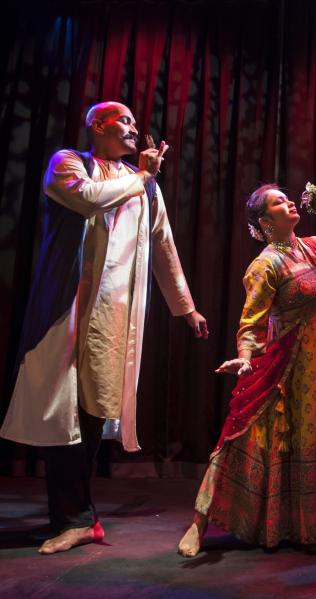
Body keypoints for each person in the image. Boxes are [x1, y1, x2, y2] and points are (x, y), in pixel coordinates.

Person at [0, 101, 208, 554]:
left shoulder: (145, 188)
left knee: (91, 415)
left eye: (135, 123)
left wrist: (186, 308)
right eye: (125, 121)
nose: (135, 129)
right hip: (66, 310)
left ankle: (77, 518)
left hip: (114, 317)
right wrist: (143, 177)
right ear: (99, 125)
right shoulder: (68, 164)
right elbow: (88, 198)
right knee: (61, 415)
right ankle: (75, 518)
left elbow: (164, 245)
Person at [177, 174, 316, 555]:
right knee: (244, 441)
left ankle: (296, 524)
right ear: (265, 222)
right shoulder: (264, 266)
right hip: (282, 369)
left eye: (287, 199)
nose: (290, 203)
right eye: (279, 202)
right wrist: (245, 357)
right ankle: (199, 523)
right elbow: (251, 321)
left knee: (302, 442)